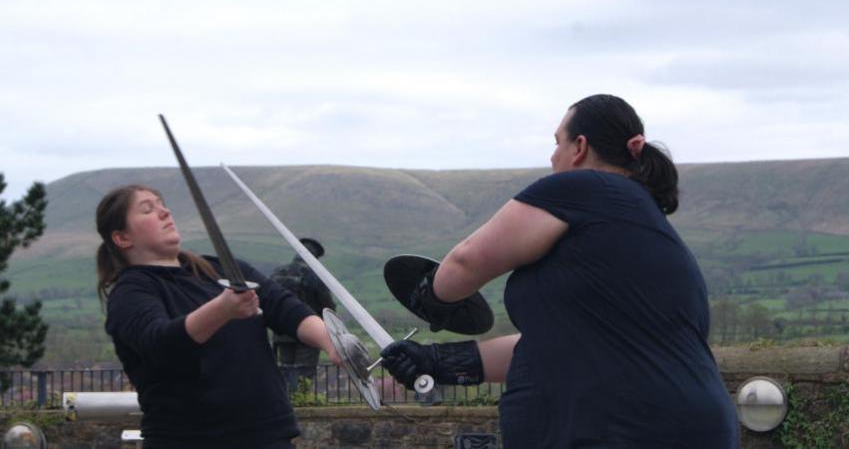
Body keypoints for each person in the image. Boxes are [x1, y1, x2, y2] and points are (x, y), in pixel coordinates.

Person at [381, 95, 740, 448]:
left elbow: (466, 262)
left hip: (624, 429)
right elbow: (553, 344)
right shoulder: (633, 225)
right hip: (672, 424)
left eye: (557, 142)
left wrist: (431, 296)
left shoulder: (585, 188)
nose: (552, 156)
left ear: (579, 146)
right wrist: (438, 361)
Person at [96, 184, 341, 449]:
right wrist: (222, 309)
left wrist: (333, 341)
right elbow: (161, 344)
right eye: (148, 209)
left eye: (161, 204)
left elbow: (284, 308)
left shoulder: (218, 268)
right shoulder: (130, 293)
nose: (165, 212)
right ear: (122, 238)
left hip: (269, 437)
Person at [269, 238, 336, 392]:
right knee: (304, 373)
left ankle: (288, 401)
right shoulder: (314, 276)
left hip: (282, 332)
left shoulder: (279, 272)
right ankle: (301, 402)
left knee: (286, 370)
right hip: (310, 333)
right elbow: (327, 305)